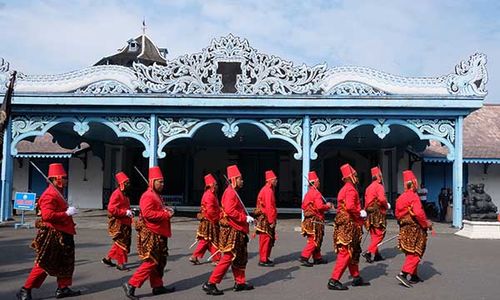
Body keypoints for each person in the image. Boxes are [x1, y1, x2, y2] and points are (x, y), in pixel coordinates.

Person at [17, 163, 81, 300]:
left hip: (65, 232)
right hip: (54, 233)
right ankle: (25, 289)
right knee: (44, 264)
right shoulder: (49, 195)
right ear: (57, 178)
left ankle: (63, 288)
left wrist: (67, 212)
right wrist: (66, 213)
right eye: (64, 177)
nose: (66, 180)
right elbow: (47, 216)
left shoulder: (59, 193)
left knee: (66, 262)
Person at [123, 166, 175, 300]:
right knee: (151, 261)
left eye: (163, 182)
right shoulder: (148, 196)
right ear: (152, 182)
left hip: (159, 232)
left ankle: (157, 286)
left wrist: (166, 210)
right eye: (160, 182)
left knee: (159, 262)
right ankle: (131, 284)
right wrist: (165, 214)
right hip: (151, 232)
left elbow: (157, 209)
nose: (162, 184)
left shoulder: (156, 195)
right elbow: (147, 214)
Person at [202, 165, 255, 296]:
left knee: (240, 257)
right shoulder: (230, 192)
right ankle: (211, 283)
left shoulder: (233, 192)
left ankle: (240, 282)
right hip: (233, 230)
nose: (242, 181)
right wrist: (244, 218)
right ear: (234, 179)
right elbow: (231, 211)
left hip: (239, 230)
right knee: (228, 257)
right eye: (240, 179)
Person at [328, 163, 370, 290]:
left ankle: (356, 276)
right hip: (349, 224)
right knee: (346, 252)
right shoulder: (351, 189)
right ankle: (334, 280)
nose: (357, 178)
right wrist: (360, 213)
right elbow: (351, 207)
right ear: (350, 176)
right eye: (355, 175)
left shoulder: (344, 189)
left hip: (346, 224)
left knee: (353, 251)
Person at [395, 170, 433, 288]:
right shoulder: (413, 196)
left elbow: (397, 214)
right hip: (415, 228)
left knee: (410, 251)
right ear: (414, 183)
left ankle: (414, 275)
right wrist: (426, 223)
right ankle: (404, 273)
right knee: (417, 251)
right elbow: (418, 213)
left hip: (404, 228)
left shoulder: (400, 197)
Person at [299, 171, 332, 267]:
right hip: (315, 220)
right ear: (315, 182)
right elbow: (319, 206)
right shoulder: (316, 194)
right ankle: (304, 256)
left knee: (316, 239)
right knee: (315, 239)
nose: (319, 183)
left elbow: (303, 206)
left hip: (309, 220)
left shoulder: (308, 193)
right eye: (318, 181)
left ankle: (317, 257)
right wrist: (328, 206)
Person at [102, 172, 134, 271]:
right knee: (122, 244)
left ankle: (108, 258)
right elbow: (111, 208)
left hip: (126, 222)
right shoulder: (116, 194)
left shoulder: (125, 194)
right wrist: (125, 212)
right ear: (122, 184)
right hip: (119, 223)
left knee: (119, 243)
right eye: (126, 183)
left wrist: (129, 212)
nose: (129, 185)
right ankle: (121, 263)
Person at [189, 174, 221, 265]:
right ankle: (216, 259)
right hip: (210, 220)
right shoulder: (209, 195)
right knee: (211, 240)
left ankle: (197, 256)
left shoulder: (209, 194)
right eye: (216, 185)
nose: (217, 186)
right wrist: (218, 218)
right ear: (211, 185)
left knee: (208, 240)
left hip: (207, 220)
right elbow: (211, 211)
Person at [362, 166, 390, 263]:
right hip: (377, 212)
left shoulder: (368, 187)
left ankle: (376, 254)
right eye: (380, 176)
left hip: (369, 213)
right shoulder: (379, 186)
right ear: (378, 177)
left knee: (374, 234)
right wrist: (386, 206)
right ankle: (369, 252)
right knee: (380, 234)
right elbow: (382, 199)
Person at [254, 170, 278, 267]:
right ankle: (263, 259)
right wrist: (271, 220)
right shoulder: (268, 191)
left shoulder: (267, 189)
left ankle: (265, 257)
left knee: (267, 239)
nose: (277, 181)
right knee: (265, 239)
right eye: (275, 179)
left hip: (265, 217)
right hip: (266, 218)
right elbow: (269, 206)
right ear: (270, 180)